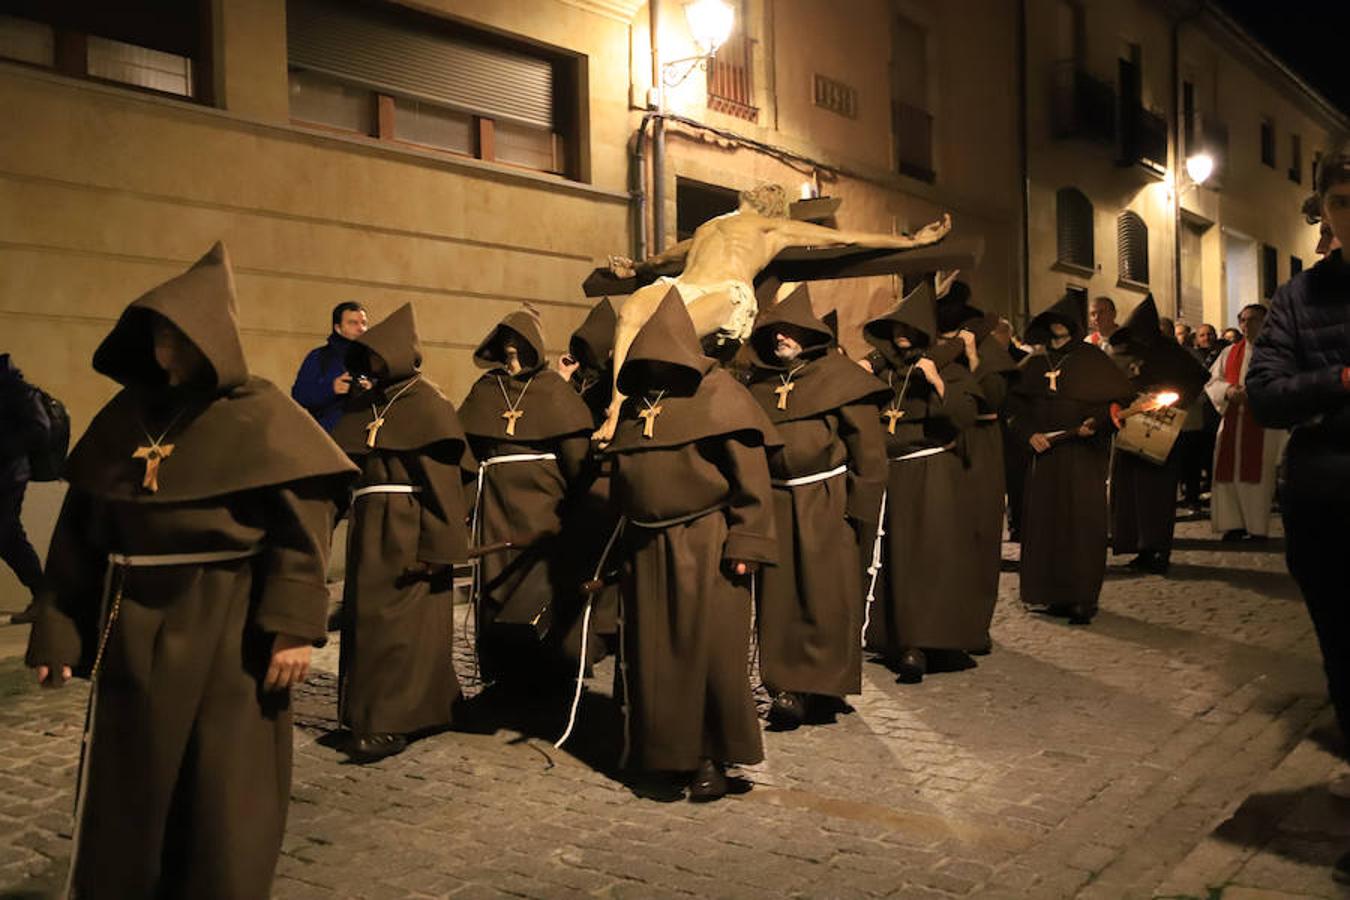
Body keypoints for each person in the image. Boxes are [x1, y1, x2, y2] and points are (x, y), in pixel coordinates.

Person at [25, 243, 356, 897]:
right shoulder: (124, 420)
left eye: (176, 336)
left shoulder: (260, 414)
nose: (165, 351)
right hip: (130, 624)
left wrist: (292, 624)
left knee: (222, 787)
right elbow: (80, 536)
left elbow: (302, 526)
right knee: (130, 787)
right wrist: (60, 629)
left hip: (229, 625)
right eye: (156, 337)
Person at [596, 184, 952, 441]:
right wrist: (636, 268)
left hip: (725, 293)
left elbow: (847, 239)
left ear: (773, 205)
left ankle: (661, 408)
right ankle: (617, 403)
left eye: (769, 190)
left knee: (672, 333)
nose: (760, 189)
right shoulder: (711, 225)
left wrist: (911, 241)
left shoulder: (774, 227)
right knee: (632, 312)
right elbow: (666, 258)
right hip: (684, 284)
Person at [602, 288, 778, 802]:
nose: (655, 363)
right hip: (645, 548)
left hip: (705, 542)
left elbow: (752, 478)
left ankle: (709, 758)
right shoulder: (639, 406)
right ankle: (663, 752)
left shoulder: (721, 396)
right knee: (655, 656)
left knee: (709, 654)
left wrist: (746, 541)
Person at [1246, 142, 1350, 884]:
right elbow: (1265, 392)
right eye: (1342, 201)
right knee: (1345, 663)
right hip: (1326, 499)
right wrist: (1341, 378)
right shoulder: (1300, 297)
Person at [330, 303, 474, 762]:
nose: (369, 368)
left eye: (375, 358)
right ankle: (386, 711)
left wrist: (441, 547)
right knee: (368, 624)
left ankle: (388, 721)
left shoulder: (427, 405)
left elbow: (443, 484)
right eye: (364, 359)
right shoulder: (364, 406)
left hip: (408, 528)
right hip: (369, 526)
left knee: (400, 629)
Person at [744, 284, 887, 728]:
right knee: (779, 597)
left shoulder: (840, 380)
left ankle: (822, 684)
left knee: (826, 597)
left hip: (826, 501)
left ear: (808, 333)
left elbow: (869, 454)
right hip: (775, 500)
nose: (780, 338)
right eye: (774, 332)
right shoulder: (762, 386)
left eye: (788, 331)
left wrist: (856, 513)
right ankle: (785, 687)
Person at [459, 309, 594, 682]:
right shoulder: (486, 389)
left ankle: (551, 670)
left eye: (519, 341)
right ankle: (503, 673)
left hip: (542, 502)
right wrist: (466, 504)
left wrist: (578, 510)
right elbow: (466, 455)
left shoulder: (553, 389)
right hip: (496, 502)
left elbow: (576, 457)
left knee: (541, 582)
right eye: (506, 341)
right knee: (496, 582)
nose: (512, 348)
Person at [861, 278, 982, 682]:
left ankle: (925, 641)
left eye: (908, 332)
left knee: (927, 559)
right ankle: (893, 638)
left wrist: (936, 381)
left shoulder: (946, 369)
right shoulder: (886, 375)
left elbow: (964, 419)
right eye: (895, 333)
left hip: (931, 474)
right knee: (893, 560)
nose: (900, 340)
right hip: (890, 475)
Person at [1006, 292, 1133, 624]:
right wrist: (1028, 434)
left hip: (1082, 455)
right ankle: (1049, 592)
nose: (1057, 329)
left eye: (1062, 323)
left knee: (1080, 526)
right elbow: (1014, 407)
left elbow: (1118, 402)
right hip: (1045, 456)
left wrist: (1099, 424)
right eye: (1052, 324)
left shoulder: (1091, 359)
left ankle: (1080, 597)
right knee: (1046, 525)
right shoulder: (1035, 362)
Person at [937, 283, 1019, 653]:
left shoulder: (988, 353)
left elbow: (994, 398)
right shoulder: (934, 350)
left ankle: (973, 625)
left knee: (978, 536)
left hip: (979, 449)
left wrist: (972, 360)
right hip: (939, 452)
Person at [1107, 296, 1209, 573]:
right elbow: (1111, 383)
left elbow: (1195, 378)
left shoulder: (1170, 353)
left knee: (1156, 492)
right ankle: (1136, 545)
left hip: (1161, 426)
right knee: (1129, 490)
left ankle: (1156, 550)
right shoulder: (1123, 350)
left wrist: (1172, 398)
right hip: (1130, 426)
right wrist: (1118, 404)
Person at [1204, 304, 1284, 541]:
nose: (1247, 325)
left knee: (1258, 476)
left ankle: (1257, 527)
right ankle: (1234, 524)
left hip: (1264, 426)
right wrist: (1228, 391)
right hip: (1232, 422)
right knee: (1228, 474)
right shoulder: (1230, 353)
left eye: (1254, 320)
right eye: (1244, 320)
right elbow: (1211, 380)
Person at [0, 354, 51, 624]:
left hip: (9, 477)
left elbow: (39, 429)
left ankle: (45, 598)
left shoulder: (17, 390)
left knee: (7, 535)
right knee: (9, 539)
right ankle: (44, 596)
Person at [292, 301, 369, 432]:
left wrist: (371, 388)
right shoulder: (320, 357)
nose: (360, 328)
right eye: (352, 323)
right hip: (331, 438)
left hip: (367, 438)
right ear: (338, 328)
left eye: (363, 323)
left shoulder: (375, 358)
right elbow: (299, 396)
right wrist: (331, 388)